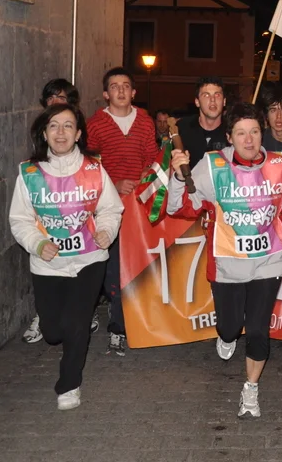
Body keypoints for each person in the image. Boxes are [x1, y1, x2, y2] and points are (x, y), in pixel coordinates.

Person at [167, 103, 282, 419]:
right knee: (231, 326)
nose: (249, 140)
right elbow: (178, 207)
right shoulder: (213, 165)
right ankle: (226, 335)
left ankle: (251, 388)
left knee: (259, 329)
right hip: (228, 263)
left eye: (254, 132)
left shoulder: (277, 164)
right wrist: (178, 176)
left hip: (268, 260)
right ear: (229, 137)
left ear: (262, 133)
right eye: (240, 133)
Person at [8, 104, 123, 410]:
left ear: (79, 133)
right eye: (54, 126)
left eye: (68, 126)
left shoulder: (93, 169)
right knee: (52, 331)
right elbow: (19, 219)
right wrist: (37, 243)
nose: (61, 132)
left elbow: (111, 209)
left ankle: (69, 385)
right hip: (48, 265)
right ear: (44, 134)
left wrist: (106, 231)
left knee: (76, 323)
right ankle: (63, 331)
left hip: (89, 259)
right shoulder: (30, 173)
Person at [85, 67, 160, 356]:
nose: (120, 91)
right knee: (112, 268)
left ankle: (123, 325)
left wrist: (145, 174)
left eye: (126, 86)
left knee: (133, 266)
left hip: (138, 208)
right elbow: (89, 166)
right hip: (108, 207)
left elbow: (152, 158)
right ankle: (114, 317)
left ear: (133, 92)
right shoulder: (95, 124)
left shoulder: (145, 121)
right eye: (114, 86)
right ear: (106, 94)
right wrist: (113, 184)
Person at [22, 79, 98, 345]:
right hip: (49, 231)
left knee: (78, 296)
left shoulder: (78, 139)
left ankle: (83, 311)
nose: (55, 102)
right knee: (52, 312)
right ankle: (46, 316)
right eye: (50, 98)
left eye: (61, 98)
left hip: (81, 234)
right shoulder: (42, 137)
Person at [175, 76, 228, 163]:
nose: (212, 99)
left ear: (224, 101)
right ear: (197, 102)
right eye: (206, 95)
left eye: (217, 95)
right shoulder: (182, 128)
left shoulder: (232, 131)